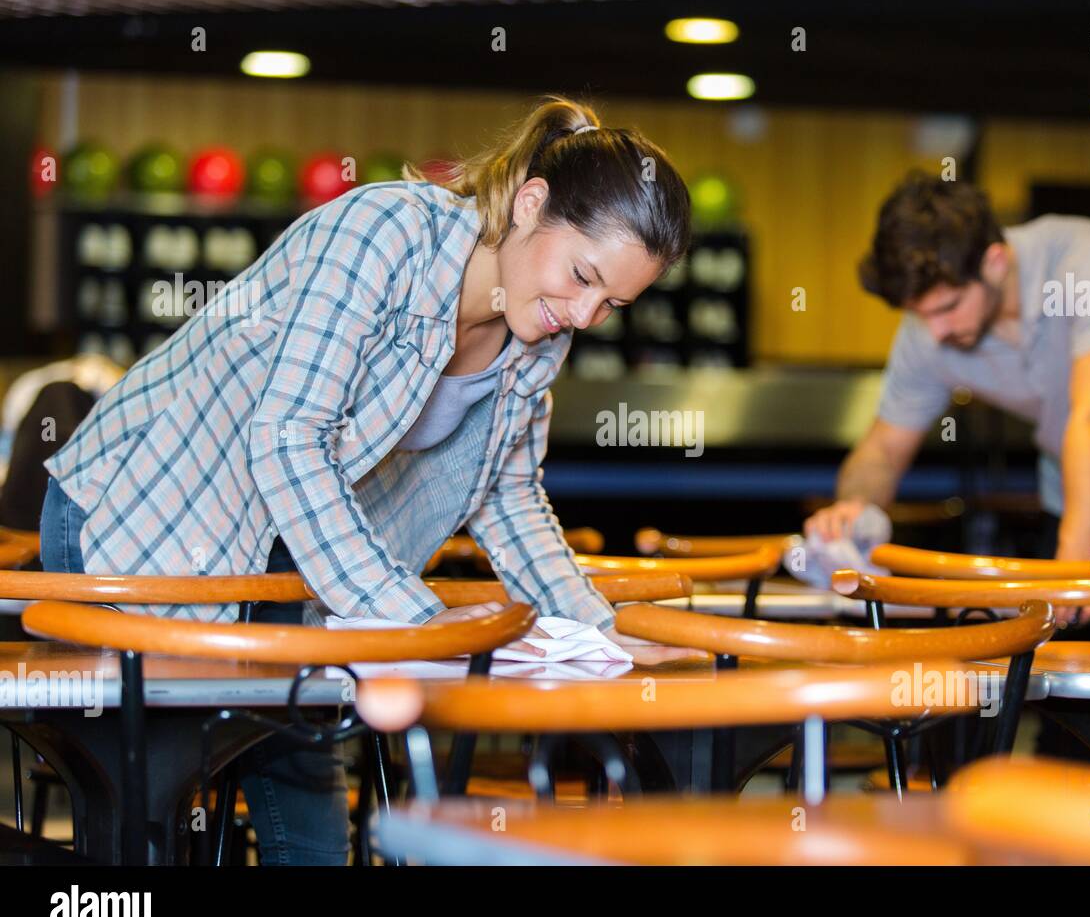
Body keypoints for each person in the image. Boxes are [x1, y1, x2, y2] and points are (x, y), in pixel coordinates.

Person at [40, 95, 693, 864]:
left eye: (611, 303)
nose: (584, 316)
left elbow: (509, 497)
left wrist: (600, 635)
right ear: (530, 202)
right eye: (582, 276)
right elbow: (290, 439)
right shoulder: (384, 232)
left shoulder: (535, 332)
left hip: (283, 556)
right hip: (141, 508)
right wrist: (408, 620)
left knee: (309, 812)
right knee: (154, 810)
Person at [806, 172, 1090, 639]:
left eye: (949, 308)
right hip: (1079, 495)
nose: (935, 331)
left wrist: (1073, 571)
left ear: (996, 261)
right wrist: (854, 509)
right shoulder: (931, 326)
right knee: (1062, 687)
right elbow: (883, 448)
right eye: (921, 314)